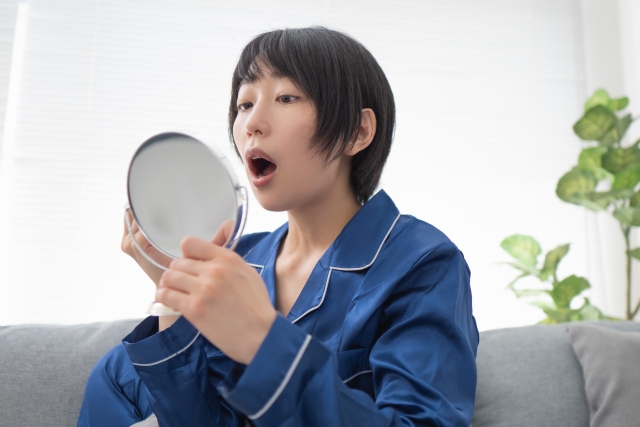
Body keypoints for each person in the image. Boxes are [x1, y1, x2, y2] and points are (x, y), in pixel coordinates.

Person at [78, 27, 479, 427]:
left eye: (286, 97)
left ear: (357, 132)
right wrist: (173, 296)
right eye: (244, 104)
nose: (252, 123)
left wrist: (263, 341)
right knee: (116, 371)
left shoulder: (424, 263)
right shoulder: (237, 261)